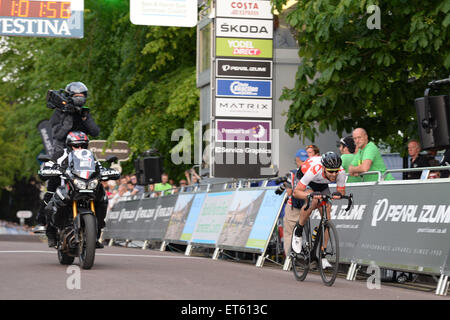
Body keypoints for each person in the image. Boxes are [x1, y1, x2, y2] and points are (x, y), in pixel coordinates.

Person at [38, 82, 100, 240]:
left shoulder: (85, 112)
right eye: (76, 96)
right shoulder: (59, 112)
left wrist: (84, 117)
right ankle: (44, 223)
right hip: (62, 152)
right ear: (70, 96)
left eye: (82, 96)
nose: (79, 98)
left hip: (82, 153)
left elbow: (95, 131)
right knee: (53, 184)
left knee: (97, 183)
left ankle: (96, 228)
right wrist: (68, 119)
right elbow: (57, 135)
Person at [43, 131, 108, 249]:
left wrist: (108, 172)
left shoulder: (90, 156)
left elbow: (99, 167)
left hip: (86, 185)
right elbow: (48, 165)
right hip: (66, 185)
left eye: (83, 145)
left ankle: (95, 233)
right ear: (69, 145)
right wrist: (48, 169)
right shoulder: (60, 154)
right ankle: (51, 233)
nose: (79, 148)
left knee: (103, 198)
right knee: (50, 204)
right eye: (76, 145)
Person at [292, 152, 346, 268]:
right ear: (324, 168)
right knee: (314, 201)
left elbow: (341, 192)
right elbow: (296, 192)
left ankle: (322, 255)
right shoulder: (315, 169)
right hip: (306, 178)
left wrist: (338, 195)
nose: (334, 174)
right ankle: (298, 231)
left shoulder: (341, 172)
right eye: (331, 171)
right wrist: (309, 196)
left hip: (322, 183)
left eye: (336, 171)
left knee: (327, 210)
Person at [282, 148, 309, 256]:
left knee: (289, 233)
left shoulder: (292, 174)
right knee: (304, 232)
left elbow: (289, 192)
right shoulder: (311, 173)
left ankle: (290, 258)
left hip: (293, 207)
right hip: (308, 206)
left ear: (296, 159)